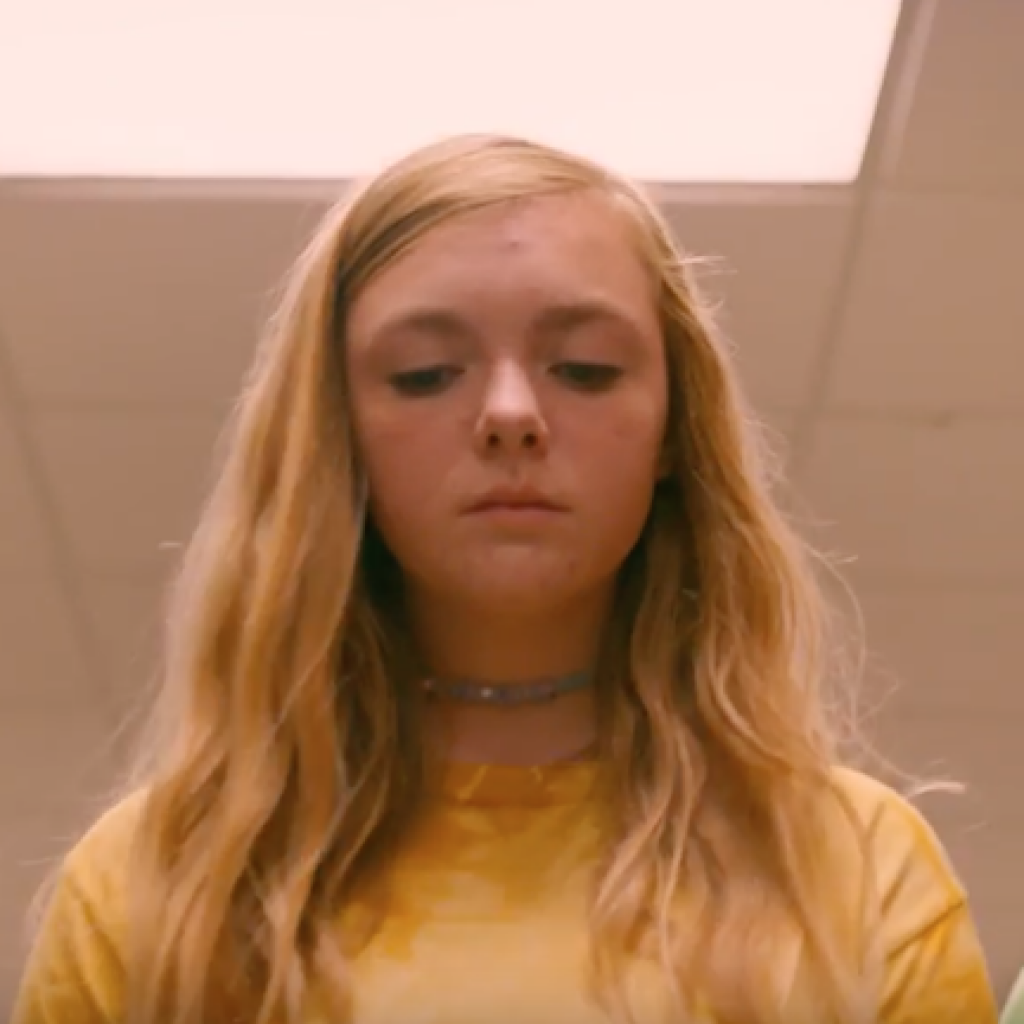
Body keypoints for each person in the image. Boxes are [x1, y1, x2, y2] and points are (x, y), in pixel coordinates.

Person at [14, 134, 997, 1024]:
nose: (511, 414)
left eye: (585, 368)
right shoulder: (157, 894)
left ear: (673, 428)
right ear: (338, 438)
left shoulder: (856, 875)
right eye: (424, 374)